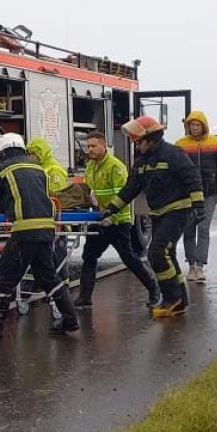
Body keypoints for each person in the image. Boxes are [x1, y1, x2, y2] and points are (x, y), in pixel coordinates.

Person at [0, 133, 79, 338]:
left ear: (1, 152)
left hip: (25, 232)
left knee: (2, 278)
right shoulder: (38, 169)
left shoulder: (1, 171)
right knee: (48, 277)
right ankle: (70, 319)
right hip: (47, 230)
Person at [100, 115, 204, 318]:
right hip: (158, 213)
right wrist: (110, 209)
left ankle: (171, 299)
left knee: (157, 253)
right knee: (168, 254)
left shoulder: (173, 154)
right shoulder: (142, 162)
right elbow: (130, 189)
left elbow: (192, 177)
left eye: (138, 141)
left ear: (151, 139)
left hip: (177, 210)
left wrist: (199, 205)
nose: (136, 145)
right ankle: (180, 299)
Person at [73, 131, 160, 309]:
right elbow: (92, 190)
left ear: (104, 146)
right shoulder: (90, 165)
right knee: (89, 256)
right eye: (88, 146)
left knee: (128, 258)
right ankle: (84, 298)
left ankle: (154, 289)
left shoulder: (115, 166)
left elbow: (122, 195)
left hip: (118, 221)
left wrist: (111, 216)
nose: (89, 149)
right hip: (100, 220)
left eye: (93, 146)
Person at [175, 111, 217, 283]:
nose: (194, 127)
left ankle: (200, 266)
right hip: (187, 194)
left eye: (197, 125)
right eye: (191, 125)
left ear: (204, 125)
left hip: (209, 193)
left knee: (204, 228)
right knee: (189, 229)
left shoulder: (215, 143)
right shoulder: (180, 144)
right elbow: (175, 170)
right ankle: (191, 265)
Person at [26, 137, 70, 284]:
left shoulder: (54, 170)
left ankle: (63, 290)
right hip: (42, 221)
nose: (30, 156)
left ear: (40, 153)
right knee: (42, 259)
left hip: (55, 223)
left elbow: (56, 197)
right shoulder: (37, 168)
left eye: (32, 153)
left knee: (57, 258)